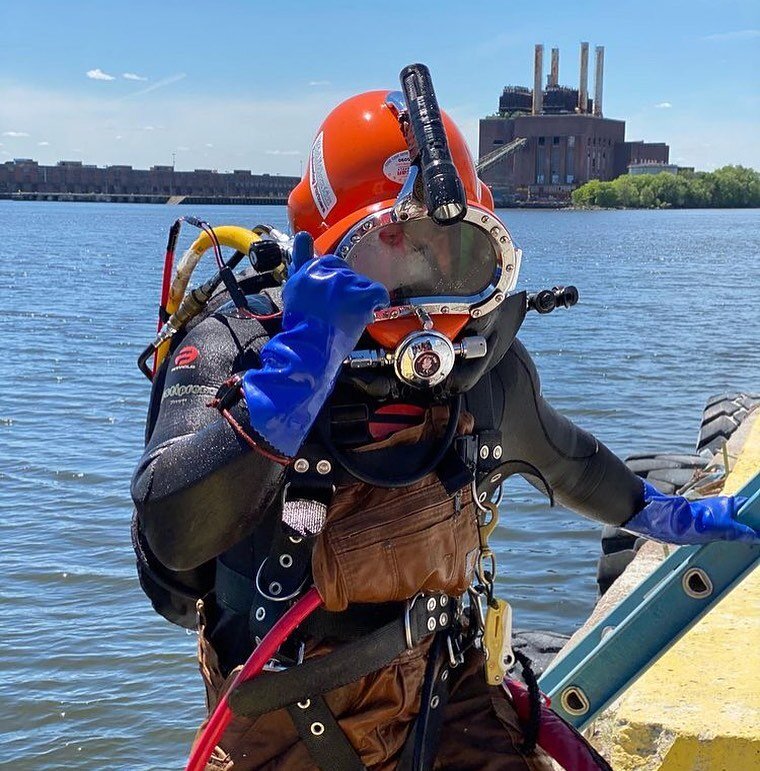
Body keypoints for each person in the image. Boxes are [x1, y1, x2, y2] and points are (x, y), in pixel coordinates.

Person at [131, 74, 756, 771]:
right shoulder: (236, 351)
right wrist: (285, 390)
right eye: (391, 255)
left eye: (455, 258)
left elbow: (572, 462)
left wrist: (676, 516)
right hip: (282, 726)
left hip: (444, 689)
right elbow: (171, 535)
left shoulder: (486, 377)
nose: (427, 308)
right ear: (319, 253)